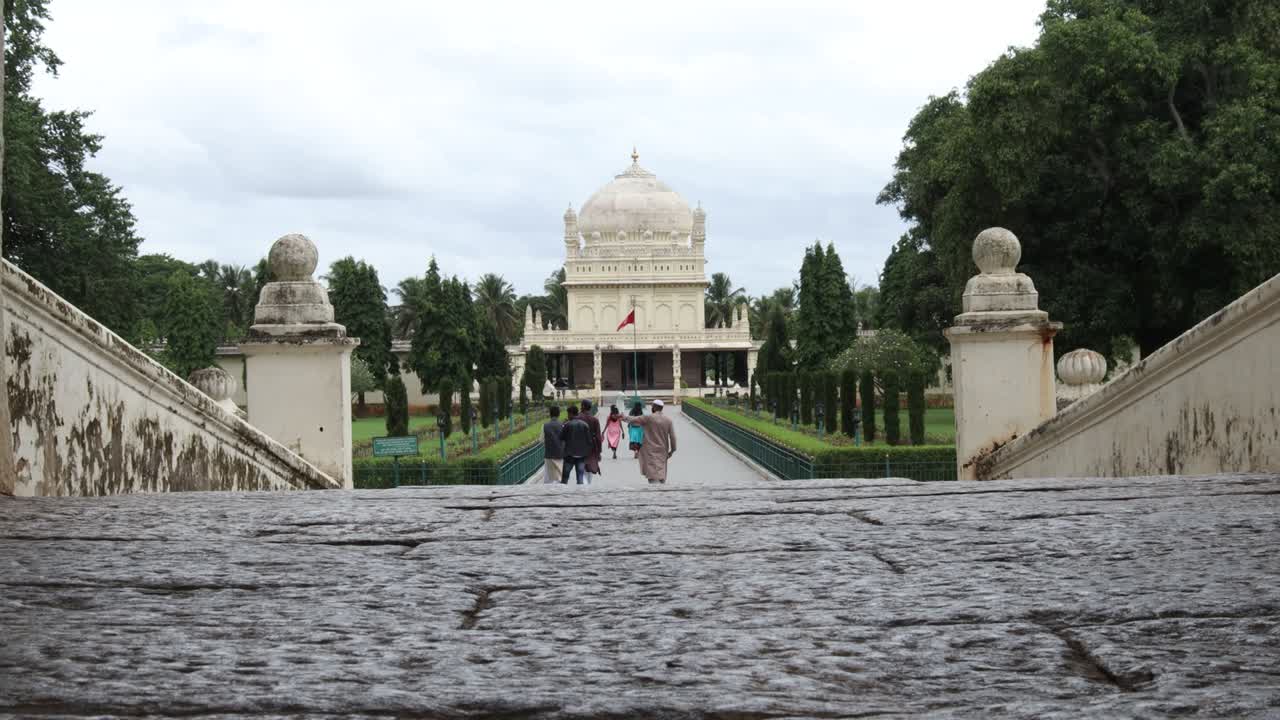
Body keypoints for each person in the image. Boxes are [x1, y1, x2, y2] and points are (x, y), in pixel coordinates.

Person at [622, 399, 676, 485]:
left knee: (652, 475)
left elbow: (634, 419)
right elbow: (673, 437)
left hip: (649, 450)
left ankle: (655, 493)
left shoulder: (648, 418)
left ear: (654, 407)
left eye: (652, 406)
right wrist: (672, 450)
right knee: (661, 473)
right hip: (663, 451)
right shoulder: (668, 420)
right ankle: (661, 490)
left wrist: (623, 417)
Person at [559, 405, 592, 485]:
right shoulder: (585, 425)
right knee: (580, 476)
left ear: (571, 414)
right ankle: (579, 494)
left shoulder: (567, 425)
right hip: (581, 455)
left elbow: (561, 437)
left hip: (569, 455)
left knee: (565, 477)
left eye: (568, 414)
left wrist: (563, 425)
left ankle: (562, 493)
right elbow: (589, 441)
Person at [580, 399, 603, 483]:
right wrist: (599, 452)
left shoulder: (577, 418)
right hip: (592, 446)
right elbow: (598, 437)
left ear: (583, 406)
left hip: (580, 446)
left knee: (581, 467)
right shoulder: (594, 420)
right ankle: (588, 485)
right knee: (590, 466)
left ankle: (584, 484)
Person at [541, 405, 564, 484]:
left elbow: (541, 440)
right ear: (559, 414)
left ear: (550, 414)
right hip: (560, 453)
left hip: (549, 454)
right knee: (559, 474)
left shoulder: (545, 426)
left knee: (549, 476)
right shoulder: (563, 425)